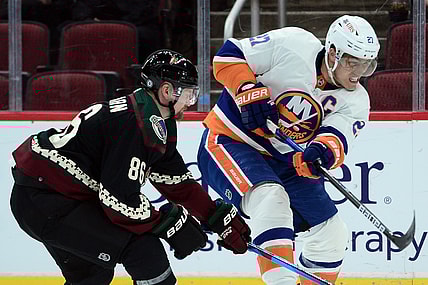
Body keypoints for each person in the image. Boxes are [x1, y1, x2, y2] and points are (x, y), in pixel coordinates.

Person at [10, 49, 251, 285]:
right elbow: (119, 202)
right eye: (189, 95)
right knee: (142, 250)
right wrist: (166, 224)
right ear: (167, 91)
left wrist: (216, 218)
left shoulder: (152, 118)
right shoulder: (135, 124)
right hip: (46, 201)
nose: (190, 103)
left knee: (92, 275)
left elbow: (177, 182)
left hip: (47, 197)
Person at [197, 15, 380, 285]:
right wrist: (247, 90)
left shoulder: (357, 101)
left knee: (332, 235)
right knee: (272, 198)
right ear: (332, 53)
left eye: (367, 65)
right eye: (353, 62)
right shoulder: (293, 44)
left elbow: (336, 138)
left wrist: (320, 153)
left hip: (284, 161)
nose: (358, 73)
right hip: (230, 140)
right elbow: (228, 56)